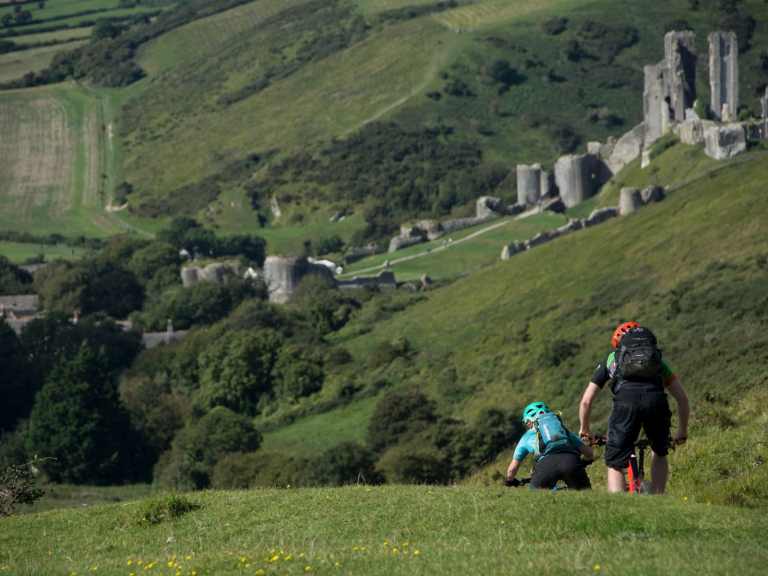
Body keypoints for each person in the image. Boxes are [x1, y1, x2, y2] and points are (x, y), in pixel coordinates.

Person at [578, 321, 690, 494]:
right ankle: (659, 497)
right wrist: (682, 431)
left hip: (625, 402)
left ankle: (619, 504)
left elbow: (586, 401)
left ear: (619, 345)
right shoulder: (657, 361)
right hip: (656, 400)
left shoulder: (612, 359)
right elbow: (682, 399)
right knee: (659, 451)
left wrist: (585, 429)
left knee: (615, 462)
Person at [506, 401, 594, 490]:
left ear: (528, 421)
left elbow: (511, 470)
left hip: (545, 466)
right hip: (571, 461)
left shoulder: (526, 437)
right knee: (586, 496)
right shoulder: (562, 430)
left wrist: (511, 480)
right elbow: (589, 453)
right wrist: (584, 461)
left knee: (534, 500)